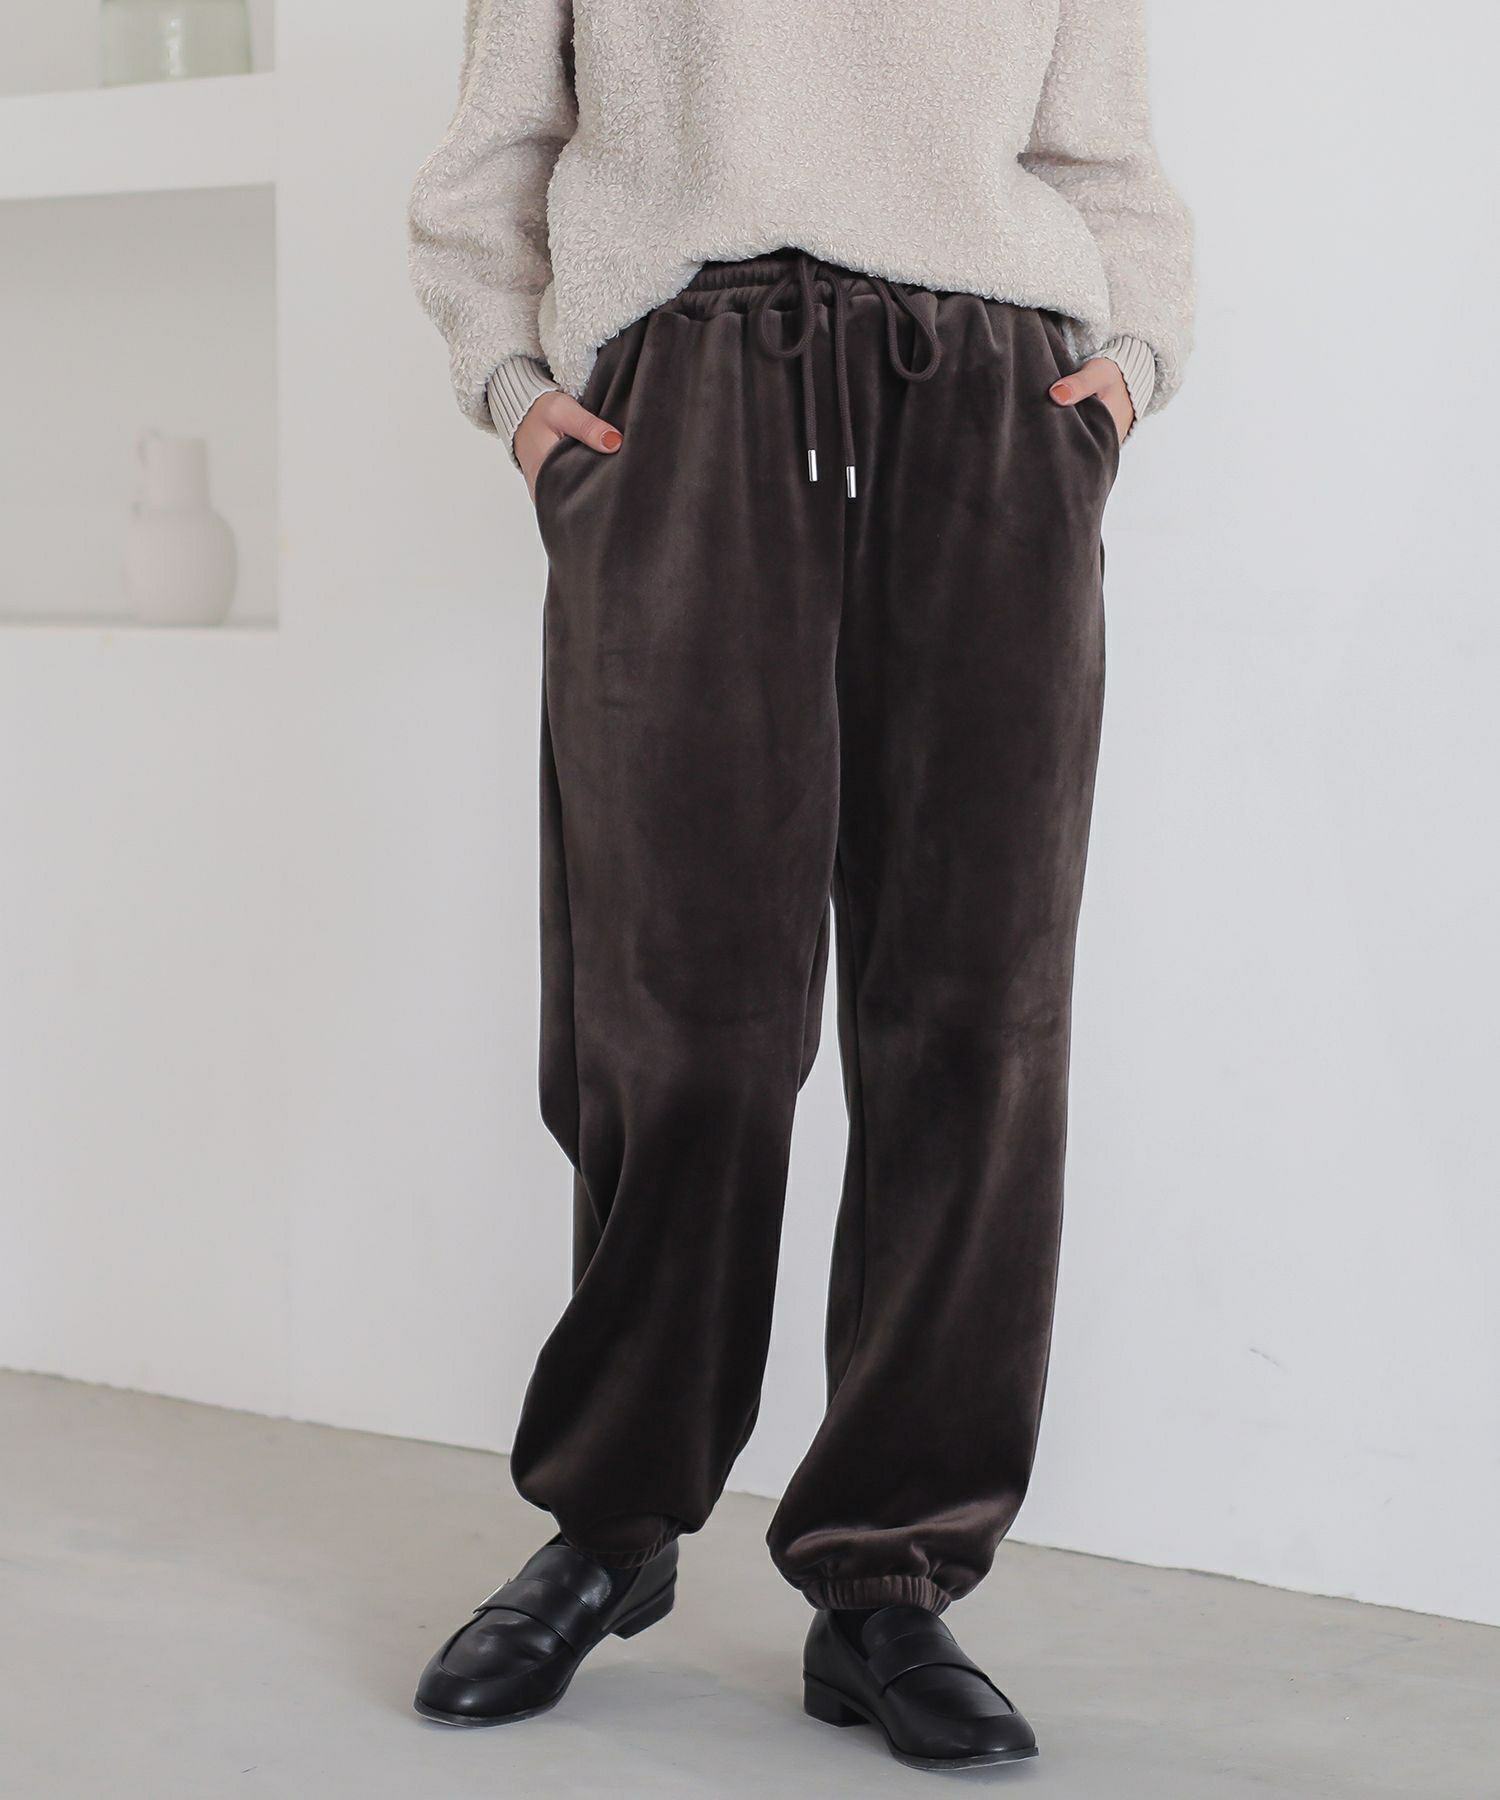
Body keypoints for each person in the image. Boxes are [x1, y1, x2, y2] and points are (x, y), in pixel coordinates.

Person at [407, 0, 1192, 1771]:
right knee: (675, 1014)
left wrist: (1131, 369)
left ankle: (889, 1572)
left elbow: (1107, 162)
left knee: (975, 1018)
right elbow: (492, 160)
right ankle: (612, 1523)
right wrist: (516, 392)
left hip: (993, 405)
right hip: (684, 402)